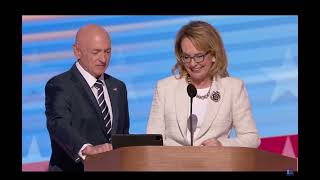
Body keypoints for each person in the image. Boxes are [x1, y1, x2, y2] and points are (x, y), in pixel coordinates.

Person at [147, 21, 260, 148]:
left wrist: (221, 145)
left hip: (214, 165)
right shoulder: (165, 88)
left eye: (199, 56)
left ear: (214, 55)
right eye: (186, 57)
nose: (193, 63)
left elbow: (251, 138)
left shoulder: (233, 88)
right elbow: (153, 141)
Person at [45, 24, 130, 171]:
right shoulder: (59, 85)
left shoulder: (118, 87)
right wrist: (86, 148)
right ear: (77, 51)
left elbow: (121, 134)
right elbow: (58, 124)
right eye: (96, 52)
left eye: (107, 52)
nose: (103, 59)